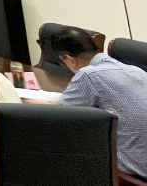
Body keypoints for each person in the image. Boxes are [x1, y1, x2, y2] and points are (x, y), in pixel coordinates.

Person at [45, 26, 147, 180]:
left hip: (132, 175)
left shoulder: (88, 75)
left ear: (70, 59)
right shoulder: (137, 71)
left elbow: (59, 119)